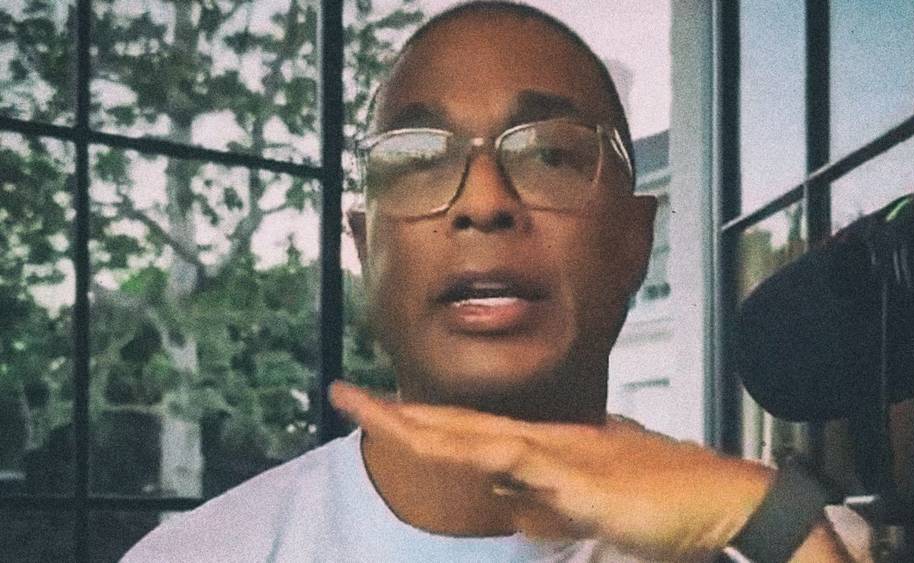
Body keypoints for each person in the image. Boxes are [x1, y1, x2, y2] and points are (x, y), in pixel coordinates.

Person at [125, 2, 852, 561]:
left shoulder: (779, 539)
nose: (482, 201)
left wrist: (770, 520)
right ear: (365, 247)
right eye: (418, 159)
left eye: (550, 156)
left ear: (635, 239)